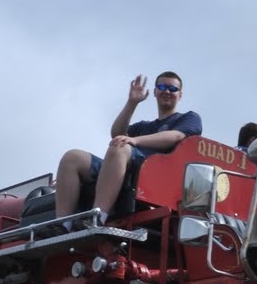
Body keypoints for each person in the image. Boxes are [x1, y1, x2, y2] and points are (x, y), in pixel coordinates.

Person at [53, 72, 202, 221]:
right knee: (73, 157)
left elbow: (175, 136)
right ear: (155, 91)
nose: (167, 91)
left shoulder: (189, 118)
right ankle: (63, 224)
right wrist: (132, 103)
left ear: (180, 95)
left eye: (173, 89)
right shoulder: (144, 126)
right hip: (121, 170)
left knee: (121, 147)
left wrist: (134, 140)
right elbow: (117, 133)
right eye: (162, 87)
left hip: (155, 177)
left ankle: (98, 216)